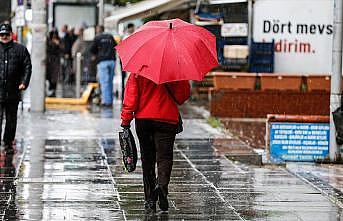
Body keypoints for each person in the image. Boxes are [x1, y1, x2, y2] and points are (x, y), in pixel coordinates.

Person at [121, 74, 190, 214]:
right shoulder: (176, 69)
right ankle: (162, 186)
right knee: (164, 157)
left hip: (144, 120)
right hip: (167, 119)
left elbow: (131, 96)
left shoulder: (138, 70)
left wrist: (126, 120)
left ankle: (150, 200)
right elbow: (182, 96)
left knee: (147, 160)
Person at [0, 23, 31, 154]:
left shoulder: (20, 49)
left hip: (13, 91)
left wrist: (24, 82)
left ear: (11, 34)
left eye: (6, 34)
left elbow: (27, 67)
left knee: (11, 120)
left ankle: (8, 144)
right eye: (2, 34)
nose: (4, 37)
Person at [90, 25, 117, 107]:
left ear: (98, 30)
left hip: (103, 62)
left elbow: (92, 49)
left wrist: (96, 55)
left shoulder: (97, 38)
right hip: (112, 61)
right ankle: (110, 101)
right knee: (110, 82)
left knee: (104, 82)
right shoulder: (110, 36)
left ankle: (106, 102)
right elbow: (116, 46)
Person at [46, 29, 61, 97]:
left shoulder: (59, 40)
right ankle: (50, 88)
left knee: (54, 76)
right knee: (49, 76)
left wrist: (58, 44)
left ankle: (53, 90)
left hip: (56, 60)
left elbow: (62, 49)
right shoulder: (48, 40)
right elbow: (46, 49)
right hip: (49, 61)